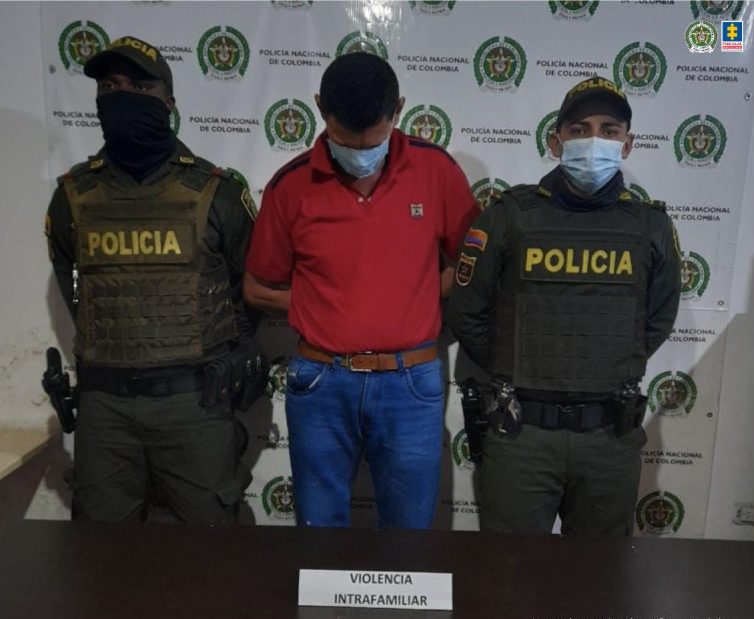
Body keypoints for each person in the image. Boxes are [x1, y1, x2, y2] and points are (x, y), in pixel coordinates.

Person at [243, 52, 479, 529]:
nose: (358, 150)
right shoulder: (290, 187)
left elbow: (472, 265)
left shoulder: (436, 171)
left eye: (372, 138)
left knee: (411, 532)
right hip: (321, 380)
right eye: (343, 138)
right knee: (319, 528)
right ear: (318, 108)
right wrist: (322, 302)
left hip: (411, 380)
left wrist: (414, 293)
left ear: (399, 111)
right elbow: (256, 287)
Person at [448, 77, 681, 536]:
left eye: (609, 130)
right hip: (523, 435)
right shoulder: (509, 215)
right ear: (556, 141)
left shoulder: (650, 226)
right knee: (508, 579)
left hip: (609, 438)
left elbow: (656, 320)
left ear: (628, 144)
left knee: (597, 587)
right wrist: (518, 363)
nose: (594, 140)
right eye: (579, 129)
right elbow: (466, 312)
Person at [44, 36, 263, 524]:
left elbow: (248, 289)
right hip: (105, 406)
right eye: (110, 85)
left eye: (140, 86)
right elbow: (73, 286)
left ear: (168, 102)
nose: (123, 94)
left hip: (195, 401)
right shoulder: (72, 197)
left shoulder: (216, 191)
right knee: (99, 562)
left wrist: (233, 350)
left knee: (210, 555)